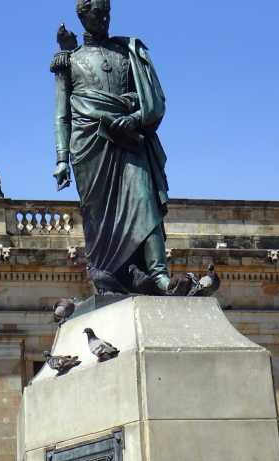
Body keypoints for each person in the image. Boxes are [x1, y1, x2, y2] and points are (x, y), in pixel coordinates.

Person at [51, 0, 178, 295]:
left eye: (107, 13)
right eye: (97, 14)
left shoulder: (129, 51)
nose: (104, 19)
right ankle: (109, 276)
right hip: (89, 145)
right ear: (82, 16)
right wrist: (61, 159)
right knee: (99, 217)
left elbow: (153, 99)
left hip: (130, 138)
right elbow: (61, 115)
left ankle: (159, 274)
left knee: (145, 198)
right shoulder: (67, 61)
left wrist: (134, 118)